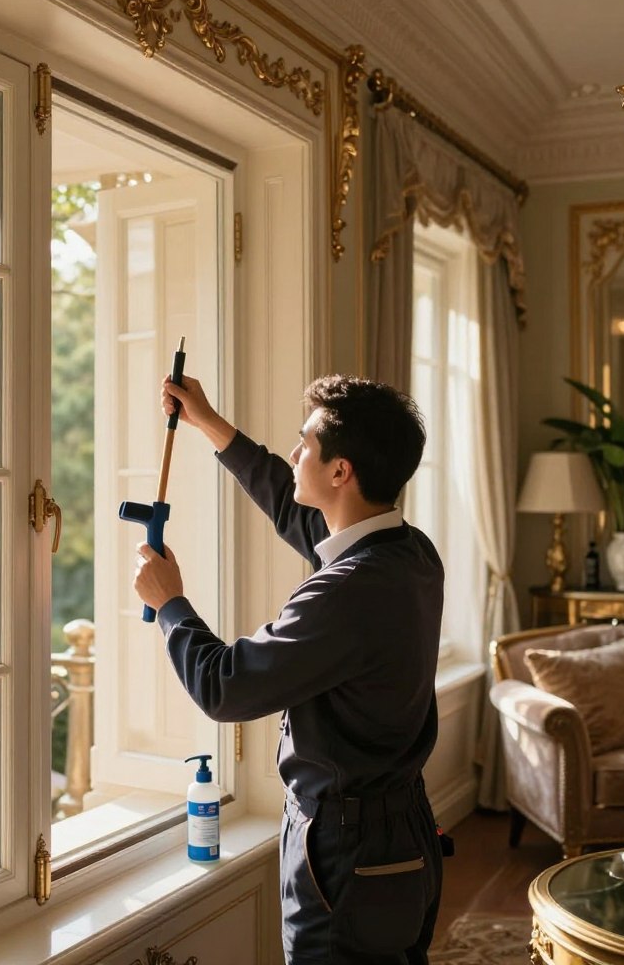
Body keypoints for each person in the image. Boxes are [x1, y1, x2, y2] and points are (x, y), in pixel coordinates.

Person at [133, 372, 445, 965]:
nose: (294, 453)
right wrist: (207, 422)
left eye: (304, 443)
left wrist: (170, 603)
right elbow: (287, 500)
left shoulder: (348, 592)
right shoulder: (410, 552)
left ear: (340, 472)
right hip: (403, 833)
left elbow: (225, 687)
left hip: (348, 854)